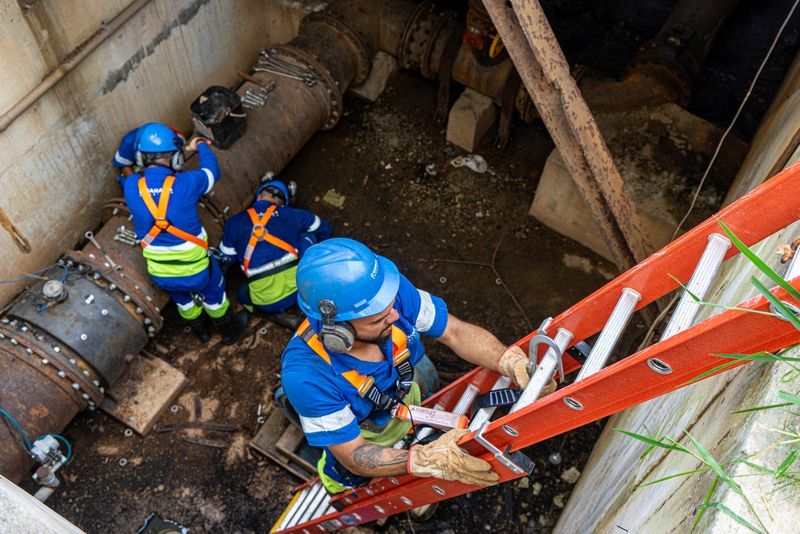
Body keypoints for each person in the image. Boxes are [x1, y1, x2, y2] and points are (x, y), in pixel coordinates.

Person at [280, 238, 542, 494]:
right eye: (378, 320)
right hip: (369, 433)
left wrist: (507, 360)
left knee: (424, 373)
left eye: (390, 307)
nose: (395, 315)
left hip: (404, 394)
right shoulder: (306, 377)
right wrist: (421, 461)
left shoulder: (385, 296)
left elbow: (455, 331)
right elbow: (353, 453)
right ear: (339, 332)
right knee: (348, 477)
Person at [123, 122, 248, 344]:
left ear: (142, 158)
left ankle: (202, 332)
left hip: (162, 275)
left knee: (184, 302)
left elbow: (127, 168)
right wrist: (200, 146)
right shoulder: (186, 183)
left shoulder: (131, 185)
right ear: (176, 159)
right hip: (198, 271)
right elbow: (211, 172)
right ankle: (228, 332)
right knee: (214, 298)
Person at [219, 178, 332, 328]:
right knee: (309, 235)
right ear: (283, 203)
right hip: (303, 288)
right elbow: (325, 228)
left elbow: (225, 259)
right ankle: (320, 277)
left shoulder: (233, 224)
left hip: (266, 301)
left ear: (259, 197)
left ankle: (270, 314)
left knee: (242, 294)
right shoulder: (292, 214)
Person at [112, 123, 185, 188]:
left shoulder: (172, 136)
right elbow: (123, 165)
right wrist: (138, 186)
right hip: (138, 168)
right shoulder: (129, 142)